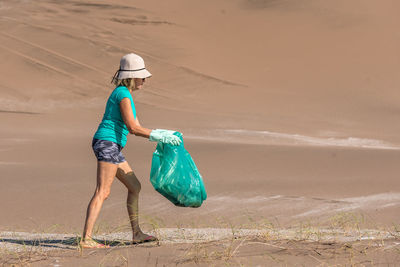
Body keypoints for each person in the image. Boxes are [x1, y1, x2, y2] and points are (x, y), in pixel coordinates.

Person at [80, 53, 181, 248]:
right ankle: (86, 238)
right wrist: (158, 136)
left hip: (112, 145)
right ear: (132, 76)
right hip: (107, 143)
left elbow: (136, 125)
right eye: (142, 76)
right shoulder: (123, 94)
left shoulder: (124, 94)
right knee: (103, 191)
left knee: (135, 186)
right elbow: (133, 128)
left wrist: (161, 133)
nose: (144, 80)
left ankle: (136, 234)